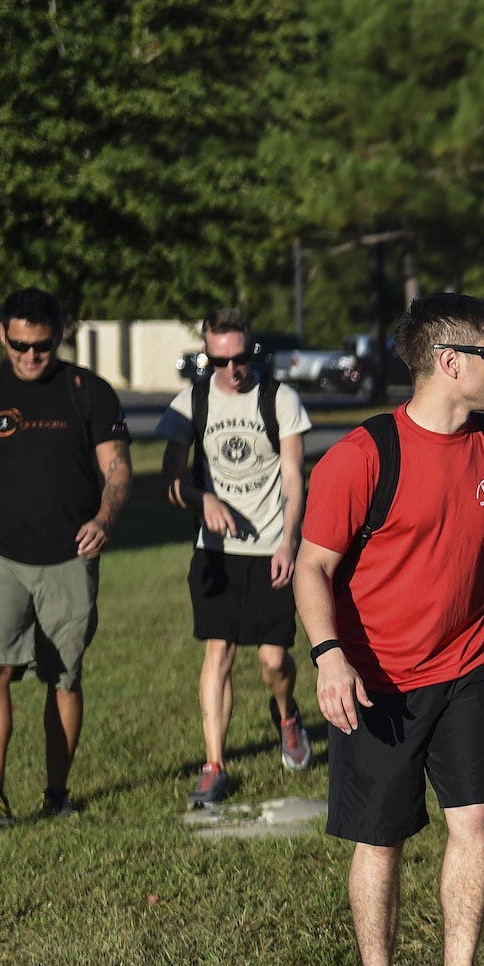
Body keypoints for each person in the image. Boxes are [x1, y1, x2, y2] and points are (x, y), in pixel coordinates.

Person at [293, 293, 484, 966]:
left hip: (468, 664)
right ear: (450, 360)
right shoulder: (363, 455)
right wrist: (329, 657)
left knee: (474, 819)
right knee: (382, 836)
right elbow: (312, 567)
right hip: (379, 678)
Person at [0, 288, 130, 830]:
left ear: (58, 337)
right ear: (3, 334)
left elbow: (117, 472)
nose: (29, 357)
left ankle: (57, 793)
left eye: (40, 347)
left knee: (63, 677)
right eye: (19, 345)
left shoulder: (87, 393)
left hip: (69, 559)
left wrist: (103, 519)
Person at [158, 308, 316, 807]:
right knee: (218, 652)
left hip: (271, 547)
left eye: (240, 356)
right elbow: (171, 480)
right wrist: (201, 498)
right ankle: (214, 765)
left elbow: (294, 475)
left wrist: (290, 541)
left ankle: (287, 713)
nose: (231, 368)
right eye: (219, 359)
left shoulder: (279, 399)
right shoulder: (191, 403)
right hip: (217, 552)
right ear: (207, 355)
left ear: (252, 351)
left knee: (273, 661)